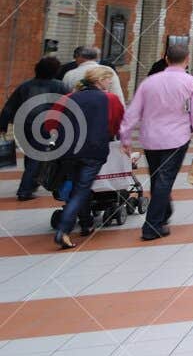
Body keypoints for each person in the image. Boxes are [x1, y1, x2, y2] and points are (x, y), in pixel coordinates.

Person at [119, 45, 193, 242]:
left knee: (157, 176)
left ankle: (165, 212)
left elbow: (133, 112)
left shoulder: (149, 82)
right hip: (177, 138)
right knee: (164, 179)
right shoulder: (192, 83)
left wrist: (125, 137)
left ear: (166, 59)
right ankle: (152, 225)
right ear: (187, 59)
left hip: (150, 138)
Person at [44, 65, 124, 249]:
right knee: (82, 189)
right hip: (93, 151)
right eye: (108, 79)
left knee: (77, 187)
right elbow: (118, 124)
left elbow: (50, 124)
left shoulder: (68, 98)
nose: (110, 82)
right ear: (99, 81)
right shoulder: (110, 99)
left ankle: (86, 222)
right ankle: (63, 230)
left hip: (68, 151)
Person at [0, 57, 70, 201]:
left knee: (30, 155)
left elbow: (9, 106)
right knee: (36, 157)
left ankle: (31, 183)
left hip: (23, 125)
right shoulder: (60, 86)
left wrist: (3, 125)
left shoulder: (25, 85)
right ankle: (25, 190)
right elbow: (68, 107)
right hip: (45, 125)